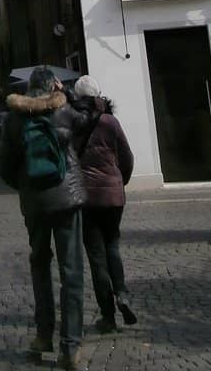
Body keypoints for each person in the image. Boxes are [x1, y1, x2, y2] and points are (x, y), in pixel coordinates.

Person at [0, 66, 87, 371]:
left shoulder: (14, 118)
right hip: (67, 199)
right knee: (71, 271)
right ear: (53, 85)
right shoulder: (64, 112)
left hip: (34, 202)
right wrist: (69, 93)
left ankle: (43, 335)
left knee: (39, 265)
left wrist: (25, 185)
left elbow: (5, 164)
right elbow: (88, 121)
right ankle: (71, 348)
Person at [69, 75, 136, 332]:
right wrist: (121, 181)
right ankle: (122, 293)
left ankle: (108, 316)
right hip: (113, 195)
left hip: (86, 197)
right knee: (112, 245)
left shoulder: (73, 122)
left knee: (96, 257)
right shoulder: (110, 121)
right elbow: (127, 156)